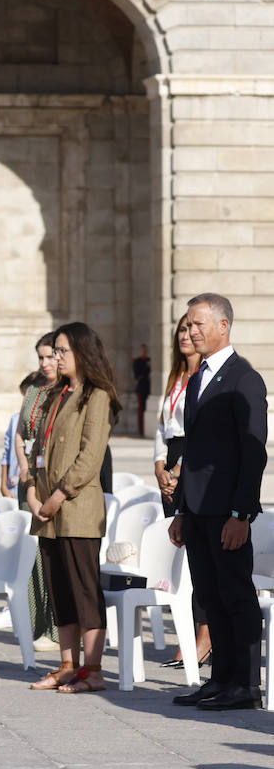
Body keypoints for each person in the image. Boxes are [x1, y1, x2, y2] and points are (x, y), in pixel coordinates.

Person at [170, 293, 267, 712]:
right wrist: (179, 508)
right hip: (196, 510)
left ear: (223, 326)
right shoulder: (196, 378)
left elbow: (253, 452)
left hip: (226, 510)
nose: (190, 331)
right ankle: (220, 680)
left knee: (235, 596)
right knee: (209, 597)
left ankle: (245, 684)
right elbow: (192, 450)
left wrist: (241, 514)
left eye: (198, 324)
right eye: (188, 324)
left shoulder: (245, 379)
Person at [25, 322, 119, 694]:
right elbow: (37, 448)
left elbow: (90, 456)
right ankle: (68, 664)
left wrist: (57, 496)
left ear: (81, 352)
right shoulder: (57, 394)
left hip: (76, 508)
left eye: (62, 351)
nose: (57, 357)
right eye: (55, 351)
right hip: (47, 509)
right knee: (59, 589)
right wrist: (33, 491)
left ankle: (93, 670)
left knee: (83, 590)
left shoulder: (97, 395)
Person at [154, 314, 210, 669]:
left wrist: (178, 469)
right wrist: (159, 466)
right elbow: (163, 428)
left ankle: (205, 636)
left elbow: (203, 430)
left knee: (201, 556)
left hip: (195, 461)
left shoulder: (208, 376)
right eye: (180, 331)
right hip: (171, 460)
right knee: (181, 557)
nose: (185, 336)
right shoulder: (176, 377)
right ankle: (187, 634)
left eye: (191, 330)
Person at [15, 335, 61, 647]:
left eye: (49, 357)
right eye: (40, 358)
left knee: (55, 555)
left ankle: (58, 627)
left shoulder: (67, 391)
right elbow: (21, 433)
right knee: (33, 554)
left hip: (53, 479)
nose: (44, 364)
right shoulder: (34, 389)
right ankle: (37, 621)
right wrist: (23, 467)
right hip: (31, 477)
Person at [133, 343, 151, 437]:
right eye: (142, 351)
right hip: (141, 388)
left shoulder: (149, 360)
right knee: (141, 409)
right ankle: (141, 430)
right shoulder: (137, 361)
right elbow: (137, 376)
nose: (144, 352)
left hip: (148, 387)